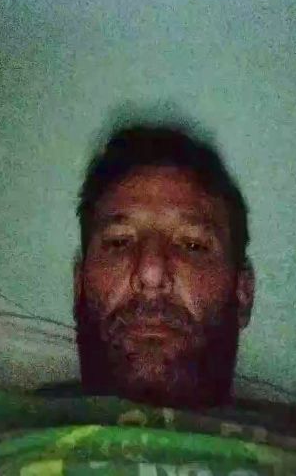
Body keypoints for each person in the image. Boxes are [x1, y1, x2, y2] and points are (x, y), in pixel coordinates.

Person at [73, 120, 255, 412]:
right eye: (119, 242)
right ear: (78, 285)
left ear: (243, 293)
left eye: (193, 245)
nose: (151, 273)